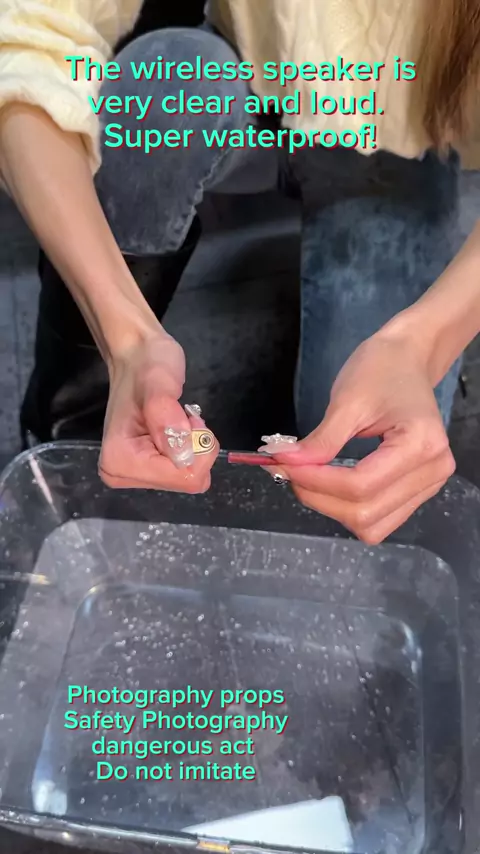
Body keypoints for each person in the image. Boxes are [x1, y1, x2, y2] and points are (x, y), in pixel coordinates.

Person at [0, 0, 479, 545]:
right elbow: (24, 39)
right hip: (256, 78)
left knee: (366, 466)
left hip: (408, 134)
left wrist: (425, 342)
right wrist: (126, 341)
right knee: (162, 85)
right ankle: (69, 416)